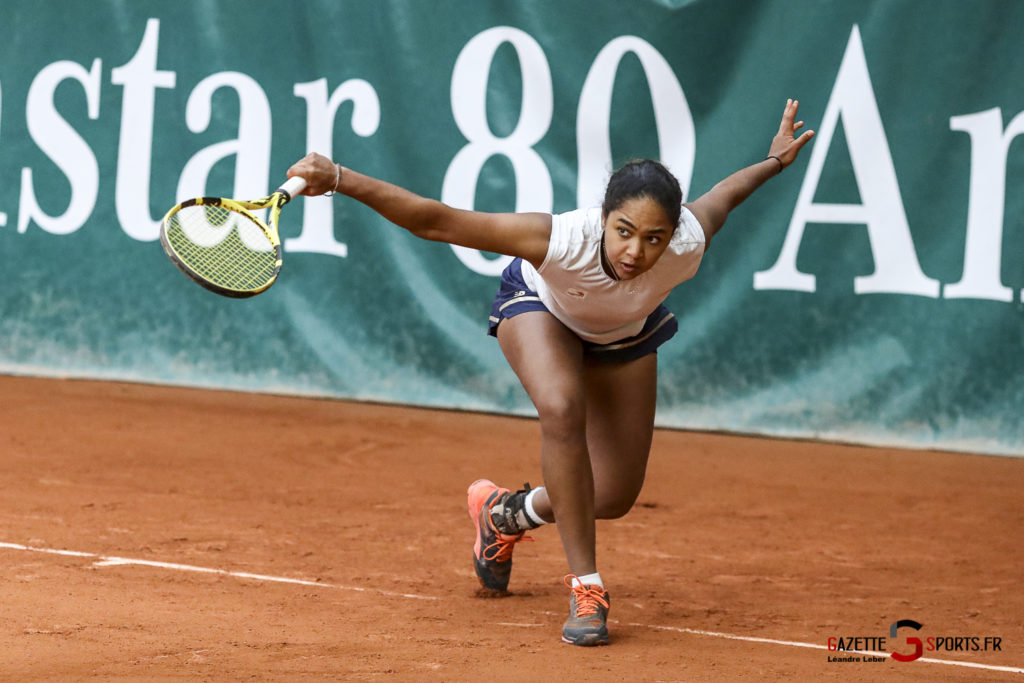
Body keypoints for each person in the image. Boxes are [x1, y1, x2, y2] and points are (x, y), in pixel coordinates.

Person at [287, 98, 815, 647]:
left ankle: (504, 514)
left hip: (622, 333)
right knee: (562, 407)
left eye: (653, 238)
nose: (635, 251)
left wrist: (774, 162)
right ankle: (587, 590)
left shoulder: (688, 241)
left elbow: (724, 195)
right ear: (604, 217)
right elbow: (437, 221)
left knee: (610, 495)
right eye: (624, 230)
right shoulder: (562, 239)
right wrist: (340, 178)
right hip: (542, 312)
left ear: (672, 232)